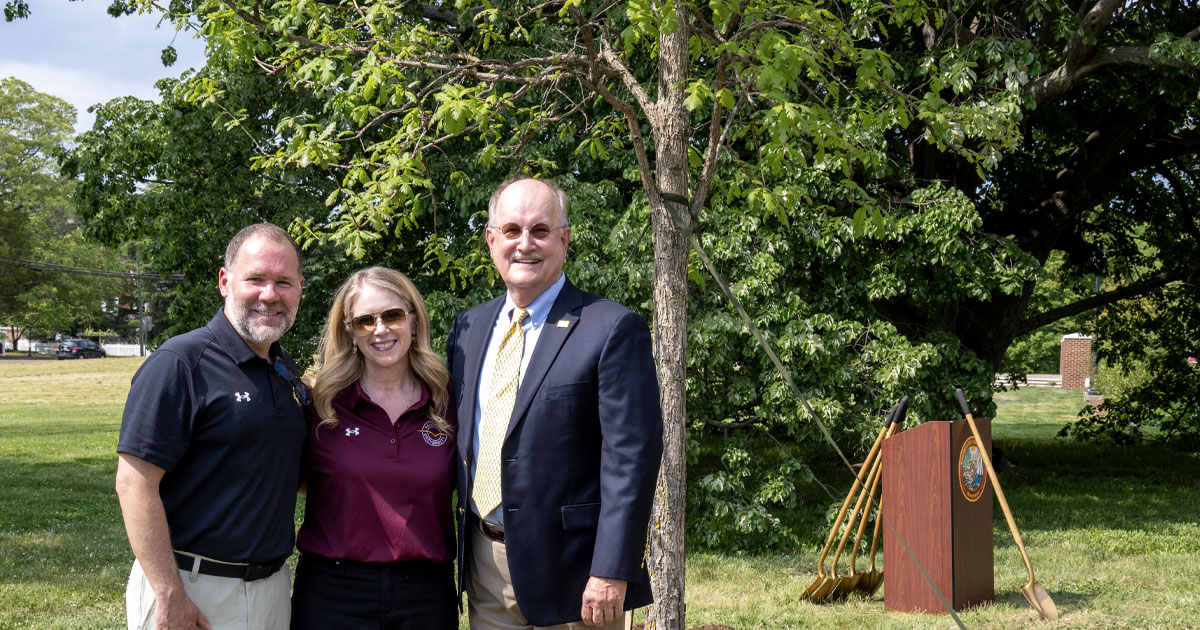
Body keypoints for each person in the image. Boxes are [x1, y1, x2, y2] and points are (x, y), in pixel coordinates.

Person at [446, 177, 664, 629]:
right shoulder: (468, 328)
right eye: (511, 230)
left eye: (540, 231)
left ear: (564, 239)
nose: (525, 244)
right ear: (491, 240)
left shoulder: (611, 328)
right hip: (486, 565)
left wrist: (610, 570)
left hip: (576, 577)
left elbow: (632, 460)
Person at [115, 223, 309, 630]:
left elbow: (292, 473)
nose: (269, 295)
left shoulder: (285, 371)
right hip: (193, 587)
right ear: (225, 282)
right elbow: (134, 483)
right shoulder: (181, 362)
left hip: (272, 588)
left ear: (300, 289)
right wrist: (169, 594)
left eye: (283, 282)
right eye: (255, 279)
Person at [291, 266, 458, 629]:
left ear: (414, 321)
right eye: (365, 320)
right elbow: (297, 481)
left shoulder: (447, 399)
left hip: (426, 593)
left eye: (392, 315)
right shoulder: (319, 404)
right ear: (350, 332)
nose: (380, 329)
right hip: (332, 592)